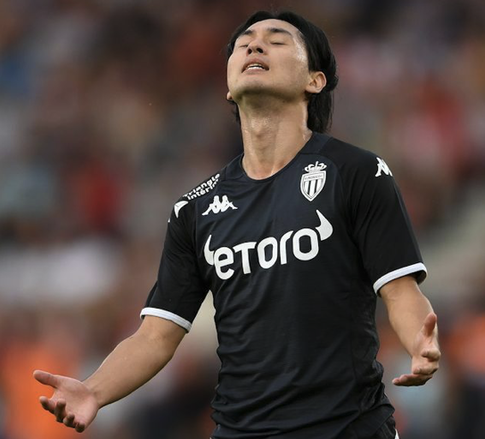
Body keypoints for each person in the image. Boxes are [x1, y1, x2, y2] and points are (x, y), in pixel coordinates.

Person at [34, 10, 441, 439]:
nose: (255, 44)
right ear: (229, 87)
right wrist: (93, 391)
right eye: (244, 42)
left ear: (315, 80)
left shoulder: (356, 173)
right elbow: (156, 335)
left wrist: (420, 343)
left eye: (277, 40)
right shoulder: (194, 210)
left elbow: (400, 290)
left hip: (348, 429)